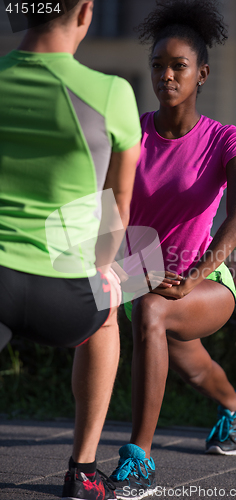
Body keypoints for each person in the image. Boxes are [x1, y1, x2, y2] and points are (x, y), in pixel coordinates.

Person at [108, 0, 236, 498]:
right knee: (191, 364)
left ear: (202, 74)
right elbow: (112, 208)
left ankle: (139, 461)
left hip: (206, 281)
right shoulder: (132, 135)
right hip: (142, 275)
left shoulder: (226, 139)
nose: (166, 75)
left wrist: (194, 276)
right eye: (158, 65)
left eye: (179, 66)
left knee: (153, 314)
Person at [0, 1, 141, 499]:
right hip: (66, 296)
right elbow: (117, 202)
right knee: (107, 313)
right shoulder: (112, 93)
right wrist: (105, 267)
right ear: (85, 11)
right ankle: (82, 472)